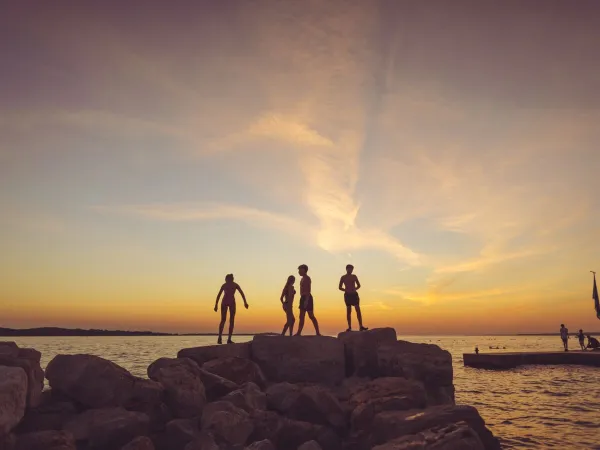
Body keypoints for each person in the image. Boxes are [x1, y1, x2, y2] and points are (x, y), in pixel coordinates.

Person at [214, 274, 248, 344]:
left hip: (231, 303)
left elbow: (242, 293)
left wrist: (245, 302)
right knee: (223, 320)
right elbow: (219, 295)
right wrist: (216, 305)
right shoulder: (224, 285)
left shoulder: (235, 285)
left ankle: (228, 339)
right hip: (225, 302)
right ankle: (220, 338)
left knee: (231, 320)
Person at [339, 264, 368, 332]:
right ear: (346, 269)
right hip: (347, 295)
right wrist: (345, 290)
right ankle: (349, 327)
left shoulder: (354, 276)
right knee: (349, 311)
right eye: (349, 269)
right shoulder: (343, 277)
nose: (351, 270)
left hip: (354, 294)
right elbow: (340, 287)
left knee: (358, 310)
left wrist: (355, 289)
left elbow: (359, 285)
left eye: (352, 269)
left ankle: (361, 326)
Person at [294, 264, 321, 336]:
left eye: (300, 270)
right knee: (301, 316)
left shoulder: (307, 278)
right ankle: (298, 332)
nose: (299, 272)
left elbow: (308, 290)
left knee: (311, 316)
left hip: (307, 298)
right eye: (298, 270)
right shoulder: (302, 278)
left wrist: (306, 300)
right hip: (303, 298)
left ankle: (318, 332)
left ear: (304, 270)